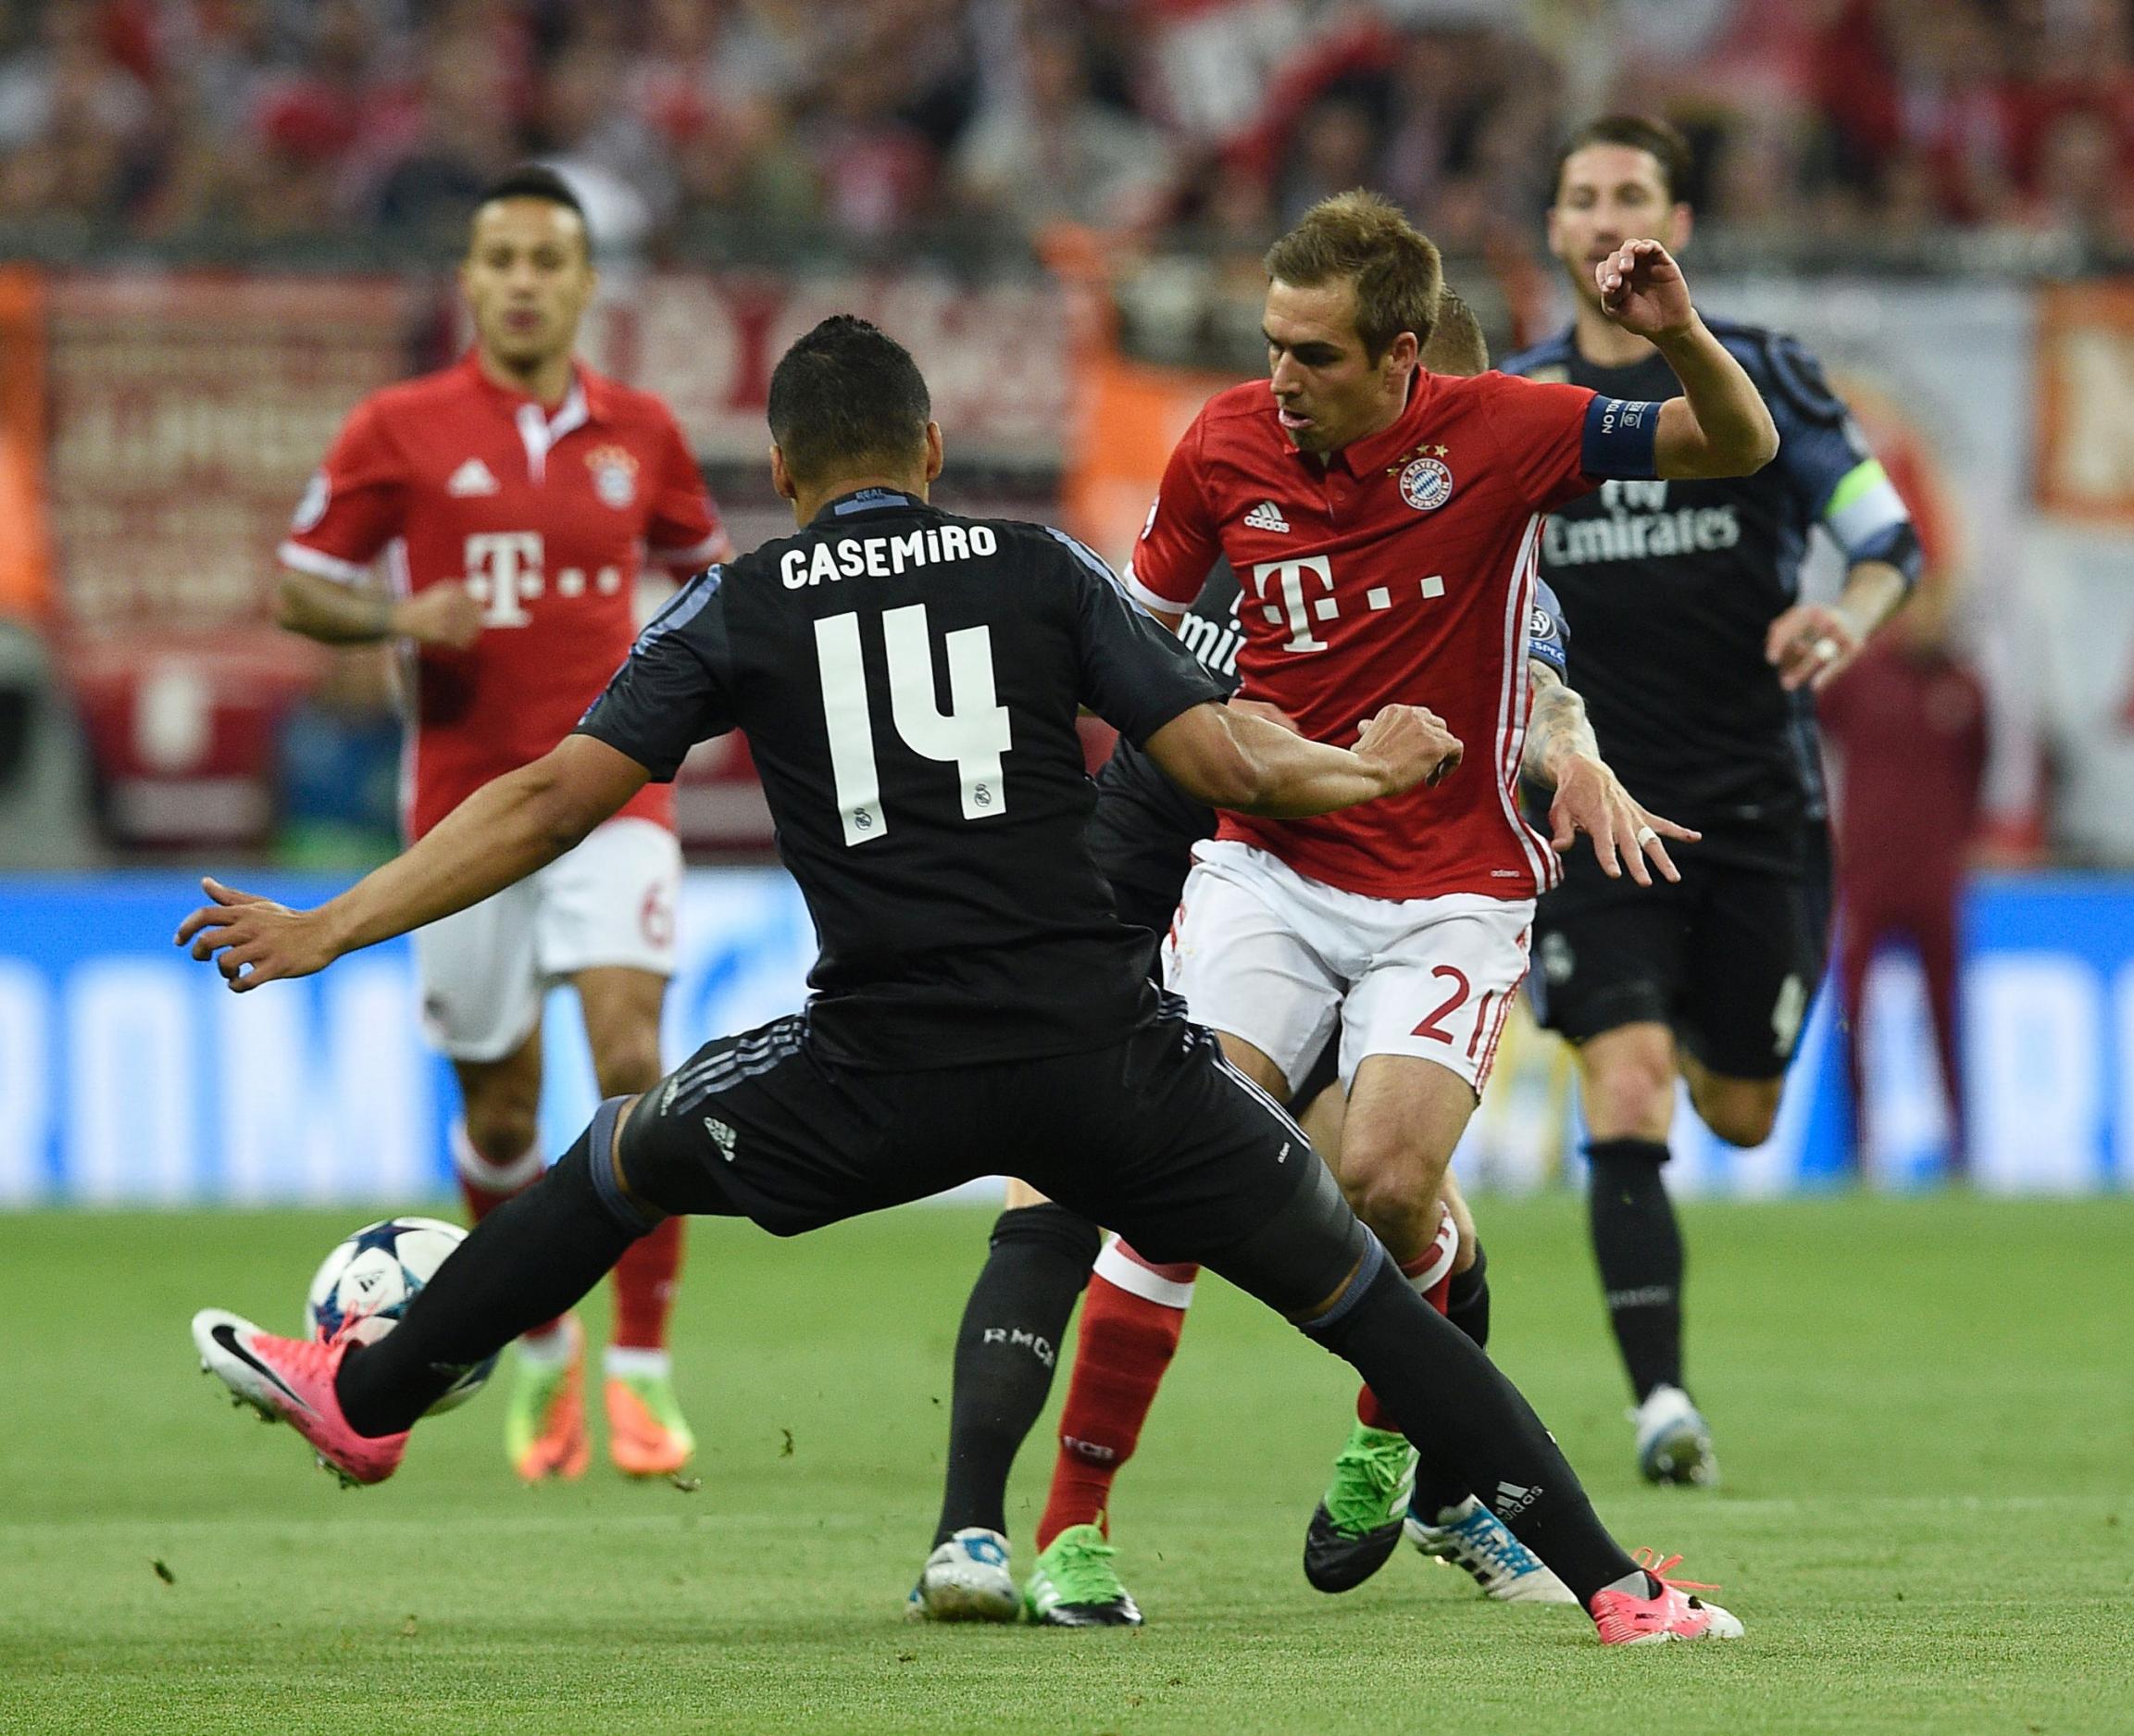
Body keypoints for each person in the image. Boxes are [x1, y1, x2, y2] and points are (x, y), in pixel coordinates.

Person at [181, 314, 1747, 1651]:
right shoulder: (1039, 569)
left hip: (879, 1070)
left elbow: (545, 800)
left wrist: (332, 925)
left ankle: (371, 1399)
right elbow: (1212, 753)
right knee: (1363, 1302)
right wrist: (1356, 772)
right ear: (931, 448)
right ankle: (1621, 1594)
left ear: (784, 477)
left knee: (614, 1160)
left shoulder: (740, 601)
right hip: (1111, 1062)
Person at [1015, 188, 1778, 1625]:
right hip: (1268, 863)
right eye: (1272, 345)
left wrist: (1676, 336)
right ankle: (1074, 1532)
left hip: (1454, 888)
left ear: (1403, 354)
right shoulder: (1222, 443)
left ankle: (1392, 1427)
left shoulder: (1506, 430)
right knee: (1169, 1163)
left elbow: (1736, 446)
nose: (1278, 379)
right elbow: (1140, 640)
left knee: (1385, 1185)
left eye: (1312, 353)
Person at [911, 292, 1510, 1627]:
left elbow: (1549, 673)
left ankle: (1413, 1452)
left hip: (1356, 881)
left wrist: (1573, 753)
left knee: (1396, 1194)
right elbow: (1131, 653)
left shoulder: (1489, 564)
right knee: (1081, 1182)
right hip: (1162, 861)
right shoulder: (1261, 501)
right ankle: (990, 1531)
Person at [272, 165, 730, 1483]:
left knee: (633, 1058)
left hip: (613, 790)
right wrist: (395, 618)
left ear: (586, 284)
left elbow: (707, 580)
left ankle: (640, 1368)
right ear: (469, 281)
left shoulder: (642, 430)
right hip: (462, 813)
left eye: (549, 259)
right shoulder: (398, 427)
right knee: (498, 1105)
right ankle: (543, 1350)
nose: (525, 280)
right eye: (502, 259)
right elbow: (304, 589)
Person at [1501, 115, 1922, 1486]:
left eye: (1633, 192)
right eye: (1583, 195)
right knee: (1626, 1085)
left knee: (1737, 1106)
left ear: (1675, 222)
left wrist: (1848, 622)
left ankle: (1691, 1020)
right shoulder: (1514, 408)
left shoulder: (1772, 381)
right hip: (1595, 806)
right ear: (1554, 231)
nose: (1608, 213)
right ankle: (1662, 1404)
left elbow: (1883, 537)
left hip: (1756, 807)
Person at [1816, 576, 1988, 1176]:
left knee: (1945, 1014)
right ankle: (1859, 1148)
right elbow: (1808, 729)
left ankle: (1960, 1148)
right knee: (1854, 1011)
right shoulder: (1862, 678)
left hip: (1937, 880)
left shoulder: (1965, 688)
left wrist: (1955, 844)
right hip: (1867, 877)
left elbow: (1976, 775)